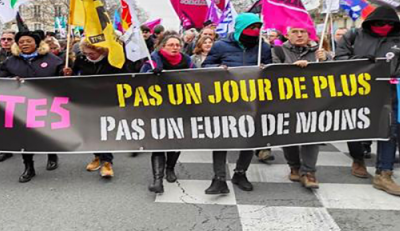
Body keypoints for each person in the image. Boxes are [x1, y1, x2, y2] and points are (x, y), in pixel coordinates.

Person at [335, 6, 400, 197]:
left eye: (389, 24)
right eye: (381, 23)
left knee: (390, 130)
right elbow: (340, 58)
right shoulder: (353, 36)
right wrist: (361, 61)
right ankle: (358, 159)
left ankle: (384, 173)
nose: (385, 27)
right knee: (356, 127)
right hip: (358, 91)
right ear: (371, 22)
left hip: (390, 92)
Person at [203, 13, 272, 195]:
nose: (255, 33)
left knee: (249, 138)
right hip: (225, 100)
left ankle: (240, 174)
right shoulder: (220, 46)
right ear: (240, 29)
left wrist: (266, 69)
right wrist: (216, 69)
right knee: (221, 139)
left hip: (252, 100)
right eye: (251, 29)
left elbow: (271, 69)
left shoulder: (262, 48)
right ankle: (218, 179)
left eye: (258, 29)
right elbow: (204, 66)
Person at [0, 30, 63, 183]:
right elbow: (0, 78)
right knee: (25, 137)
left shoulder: (52, 59)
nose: (24, 44)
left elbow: (61, 77)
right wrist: (10, 79)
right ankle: (29, 167)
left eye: (28, 41)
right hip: (22, 105)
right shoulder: (10, 61)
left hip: (45, 103)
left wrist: (65, 73)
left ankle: (52, 156)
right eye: (21, 42)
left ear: (37, 43)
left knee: (47, 133)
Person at [272, 25, 331, 189]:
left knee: (312, 135)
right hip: (286, 101)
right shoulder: (277, 51)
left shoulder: (318, 51)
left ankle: (309, 172)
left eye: (303, 32)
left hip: (313, 101)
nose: (299, 35)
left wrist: (326, 59)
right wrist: (292, 69)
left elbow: (335, 73)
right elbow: (271, 72)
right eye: (295, 32)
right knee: (288, 134)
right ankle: (294, 166)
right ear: (287, 35)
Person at [63, 39, 131, 179]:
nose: (89, 56)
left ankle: (107, 162)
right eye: (86, 53)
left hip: (108, 100)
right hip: (88, 100)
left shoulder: (112, 59)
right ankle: (97, 156)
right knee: (91, 130)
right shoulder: (81, 59)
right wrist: (67, 72)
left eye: (92, 53)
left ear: (101, 51)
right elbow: (73, 74)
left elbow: (125, 75)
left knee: (104, 129)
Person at [141, 33, 195, 193]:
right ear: (162, 46)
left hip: (180, 106)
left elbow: (199, 76)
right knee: (158, 142)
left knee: (177, 139)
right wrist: (151, 73)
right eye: (170, 45)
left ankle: (170, 168)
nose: (175, 48)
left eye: (177, 45)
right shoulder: (152, 60)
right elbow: (139, 80)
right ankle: (157, 180)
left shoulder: (187, 60)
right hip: (158, 107)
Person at [0, 30, 16, 163]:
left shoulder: (20, 56)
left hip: (19, 94)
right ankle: (6, 149)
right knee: (4, 123)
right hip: (1, 94)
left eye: (9, 39)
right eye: (3, 39)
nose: (6, 41)